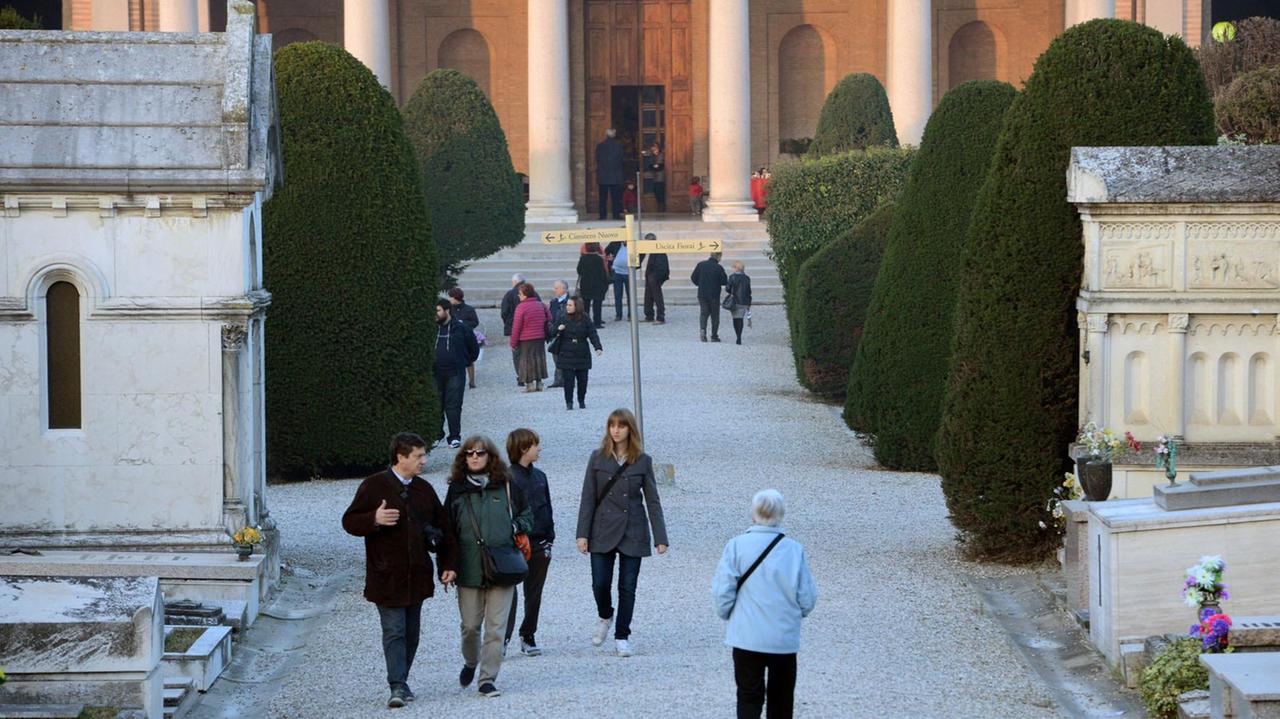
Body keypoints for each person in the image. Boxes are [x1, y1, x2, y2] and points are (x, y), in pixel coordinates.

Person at [342, 433, 458, 708]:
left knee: (411, 633)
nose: (424, 461)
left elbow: (445, 530)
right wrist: (374, 518)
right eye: (418, 456)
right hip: (387, 576)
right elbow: (349, 522)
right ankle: (397, 684)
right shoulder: (374, 486)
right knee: (394, 630)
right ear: (400, 457)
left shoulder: (424, 490)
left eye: (423, 455)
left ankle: (401, 680)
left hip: (417, 574)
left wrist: (449, 565)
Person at [711, 490, 817, 719]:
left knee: (748, 695)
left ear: (753, 514)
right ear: (781, 515)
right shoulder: (794, 550)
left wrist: (728, 614)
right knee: (781, 698)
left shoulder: (736, 546)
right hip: (783, 639)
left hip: (746, 635)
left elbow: (723, 592)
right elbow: (807, 598)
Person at [444, 436, 533, 699]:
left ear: (489, 456)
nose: (474, 457)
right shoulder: (457, 489)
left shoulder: (506, 485)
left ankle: (487, 679)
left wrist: (513, 528)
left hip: (502, 566)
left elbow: (526, 515)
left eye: (480, 453)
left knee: (496, 628)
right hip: (469, 568)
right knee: (470, 626)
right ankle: (471, 662)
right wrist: (447, 565)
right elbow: (448, 529)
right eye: (469, 453)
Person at [576, 408, 668, 658]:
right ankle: (605, 614)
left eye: (621, 425)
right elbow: (588, 498)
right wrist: (582, 533)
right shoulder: (597, 458)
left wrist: (660, 537)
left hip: (632, 529)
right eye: (612, 425)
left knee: (628, 586)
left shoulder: (643, 461)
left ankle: (622, 635)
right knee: (600, 583)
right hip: (602, 529)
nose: (616, 430)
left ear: (630, 429)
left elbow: (652, 501)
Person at [503, 428, 555, 656]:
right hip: (514, 544)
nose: (539, 448)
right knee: (508, 594)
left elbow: (547, 508)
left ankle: (528, 634)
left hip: (540, 542)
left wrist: (550, 538)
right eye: (536, 445)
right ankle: (503, 638)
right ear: (524, 448)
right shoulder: (505, 479)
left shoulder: (540, 476)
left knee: (534, 593)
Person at [434, 299, 480, 449]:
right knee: (436, 404)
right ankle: (436, 435)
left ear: (447, 311)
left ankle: (454, 436)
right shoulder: (432, 328)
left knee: (453, 405)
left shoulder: (461, 328)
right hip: (435, 372)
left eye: (438, 310)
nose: (435, 314)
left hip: (455, 371)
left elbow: (473, 347)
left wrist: (465, 360)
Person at [553, 296, 603, 410]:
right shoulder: (562, 317)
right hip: (566, 352)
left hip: (582, 352)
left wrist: (597, 347)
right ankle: (569, 402)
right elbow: (551, 331)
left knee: (583, 380)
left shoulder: (585, 318)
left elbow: (592, 333)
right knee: (568, 381)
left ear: (577, 306)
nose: (567, 307)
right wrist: (558, 329)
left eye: (570, 305)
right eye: (567, 305)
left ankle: (581, 400)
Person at [509, 282, 551, 393]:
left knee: (526, 361)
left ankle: (529, 384)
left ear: (525, 294)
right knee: (539, 359)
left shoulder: (521, 307)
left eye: (520, 294)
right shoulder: (541, 305)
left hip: (526, 339)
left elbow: (516, 327)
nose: (519, 296)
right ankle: (539, 383)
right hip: (539, 337)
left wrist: (513, 343)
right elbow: (549, 318)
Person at [448, 287, 482, 389]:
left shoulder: (469, 309)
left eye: (450, 297)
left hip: (466, 337)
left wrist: (463, 324)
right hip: (453, 337)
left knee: (469, 359)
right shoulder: (449, 310)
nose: (449, 299)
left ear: (455, 298)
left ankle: (472, 381)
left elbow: (475, 322)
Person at [691, 252, 728, 342]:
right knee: (715, 315)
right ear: (718, 257)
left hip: (702, 293)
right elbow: (724, 281)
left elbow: (693, 277)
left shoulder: (701, 265)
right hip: (714, 294)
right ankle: (714, 335)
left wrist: (699, 284)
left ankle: (703, 330)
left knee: (704, 313)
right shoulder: (719, 268)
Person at [500, 273, 526, 385]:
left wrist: (508, 323)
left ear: (514, 282)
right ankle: (529, 375)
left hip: (514, 327)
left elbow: (504, 312)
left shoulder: (509, 294)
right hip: (528, 328)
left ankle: (521, 376)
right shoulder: (532, 292)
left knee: (516, 352)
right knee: (528, 352)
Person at [576, 242, 609, 328]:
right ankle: (597, 322)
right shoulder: (598, 259)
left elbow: (579, 270)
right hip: (597, 285)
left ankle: (585, 322)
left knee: (586, 305)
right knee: (597, 305)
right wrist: (606, 283)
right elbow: (602, 273)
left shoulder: (583, 258)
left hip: (585, 284)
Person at [546, 280, 570, 388]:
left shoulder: (571, 301)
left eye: (556, 288)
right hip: (555, 333)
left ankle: (567, 379)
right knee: (556, 356)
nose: (554, 290)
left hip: (567, 333)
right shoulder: (554, 302)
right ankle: (558, 380)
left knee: (566, 357)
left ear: (564, 289)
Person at [596, 129, 624, 220]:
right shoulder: (618, 146)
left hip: (603, 175)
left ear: (606, 135)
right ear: (614, 135)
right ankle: (616, 215)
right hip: (615, 175)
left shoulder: (600, 146)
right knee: (615, 198)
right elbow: (621, 159)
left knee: (602, 198)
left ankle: (602, 216)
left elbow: (597, 159)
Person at [641, 235, 669, 324]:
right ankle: (649, 316)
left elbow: (663, 268)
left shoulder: (659, 251)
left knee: (657, 297)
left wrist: (655, 277)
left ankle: (660, 317)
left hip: (655, 278)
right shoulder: (650, 251)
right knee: (648, 297)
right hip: (650, 276)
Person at [726, 261, 753, 345]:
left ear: (736, 268)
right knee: (740, 318)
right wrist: (749, 302)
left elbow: (728, 289)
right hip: (744, 301)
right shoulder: (747, 278)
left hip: (735, 301)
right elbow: (749, 291)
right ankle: (739, 336)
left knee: (735, 319)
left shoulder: (732, 277)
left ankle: (737, 335)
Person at [611, 242, 631, 321]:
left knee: (630, 295)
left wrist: (637, 265)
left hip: (629, 273)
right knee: (618, 295)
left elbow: (641, 255)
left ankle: (631, 314)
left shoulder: (633, 244)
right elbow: (607, 251)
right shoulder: (615, 244)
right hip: (617, 272)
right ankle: (618, 314)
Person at [644, 143, 666, 212]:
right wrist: (654, 166)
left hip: (661, 177)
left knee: (660, 191)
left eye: (655, 149)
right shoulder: (652, 156)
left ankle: (662, 207)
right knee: (656, 191)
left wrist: (656, 166)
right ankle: (659, 205)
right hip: (655, 177)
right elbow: (650, 166)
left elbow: (660, 166)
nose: (654, 151)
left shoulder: (662, 155)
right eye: (653, 149)